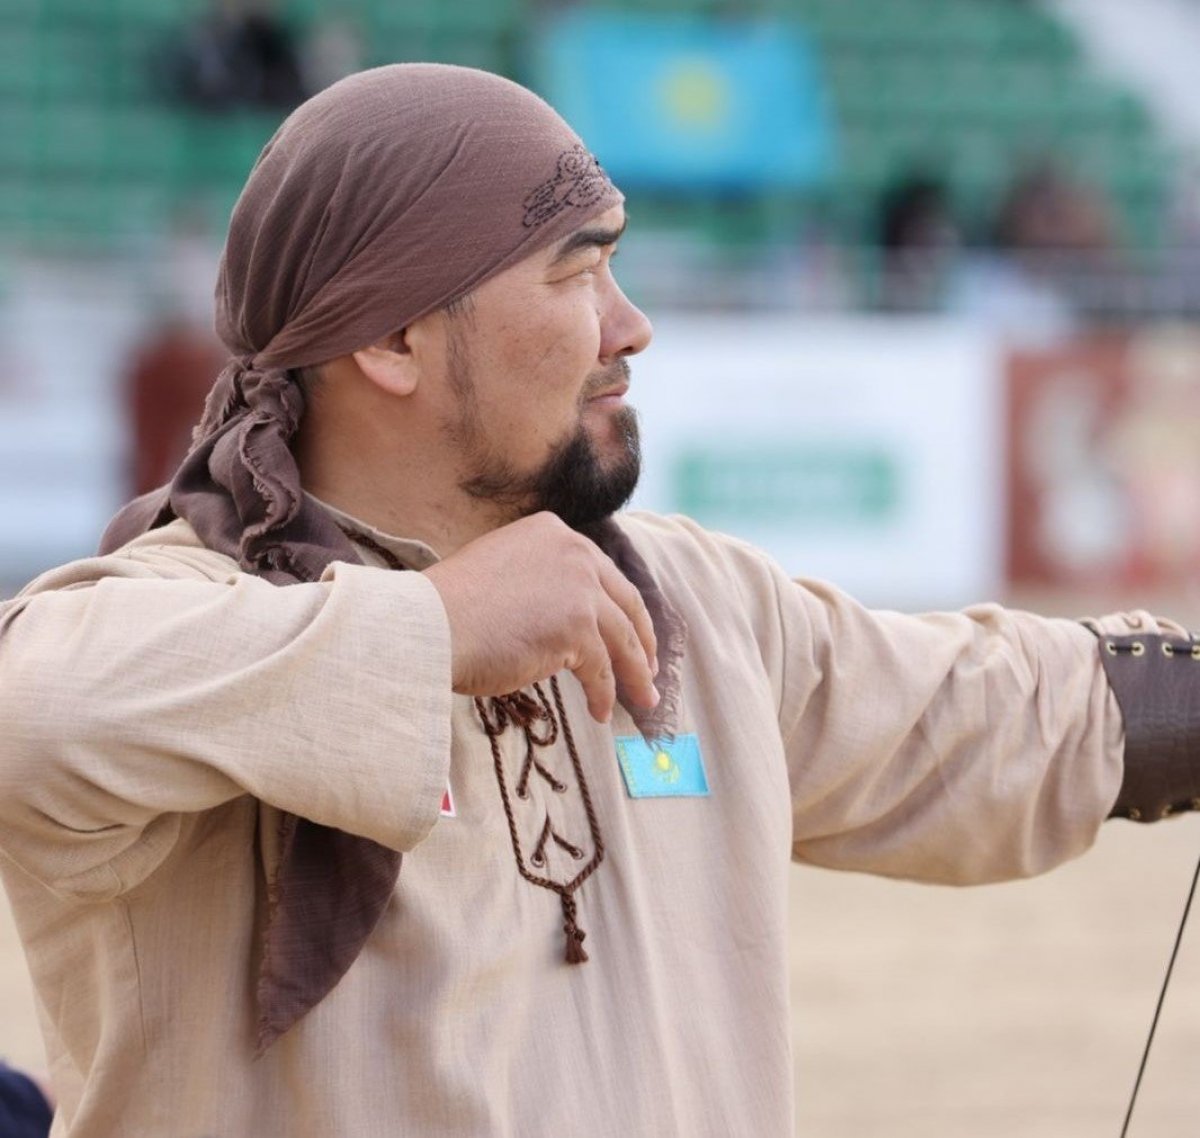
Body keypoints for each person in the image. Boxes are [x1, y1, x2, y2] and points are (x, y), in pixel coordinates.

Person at [0, 64, 1195, 1137]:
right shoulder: (190, 602)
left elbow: (977, 716)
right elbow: (33, 712)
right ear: (398, 340)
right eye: (579, 275)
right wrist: (433, 632)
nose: (632, 327)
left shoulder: (683, 595)